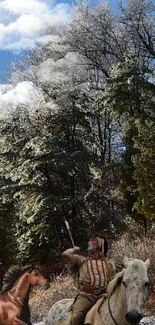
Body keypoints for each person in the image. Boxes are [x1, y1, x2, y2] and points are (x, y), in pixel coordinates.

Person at [62, 234, 115, 325]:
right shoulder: (82, 260)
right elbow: (65, 254)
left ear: (102, 248)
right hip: (86, 296)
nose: (93, 253)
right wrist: (74, 250)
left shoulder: (109, 264)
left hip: (104, 297)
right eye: (92, 252)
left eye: (96, 251)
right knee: (75, 317)